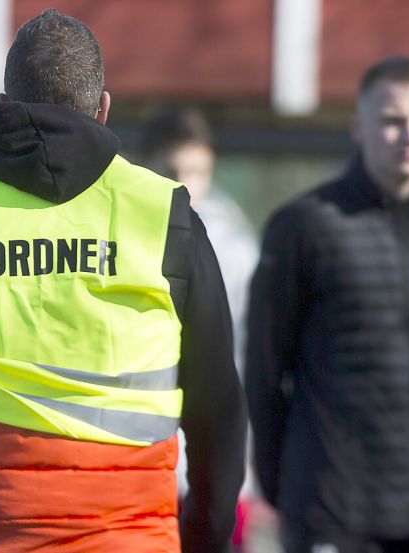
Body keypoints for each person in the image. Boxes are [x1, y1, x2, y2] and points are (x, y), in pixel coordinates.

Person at [0, 9, 246, 553]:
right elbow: (219, 414)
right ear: (103, 106)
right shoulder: (165, 215)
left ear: (7, 103)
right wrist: (204, 540)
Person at [245, 55, 409, 553]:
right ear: (359, 128)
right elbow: (265, 374)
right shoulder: (303, 226)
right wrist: (284, 488)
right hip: (333, 510)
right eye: (393, 121)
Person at [139, 105, 261, 550]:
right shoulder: (120, 235)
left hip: (215, 455)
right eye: (172, 169)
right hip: (142, 454)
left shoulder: (233, 242)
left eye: (197, 170)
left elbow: (247, 350)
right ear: (145, 166)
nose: (186, 184)